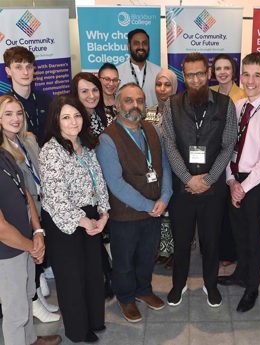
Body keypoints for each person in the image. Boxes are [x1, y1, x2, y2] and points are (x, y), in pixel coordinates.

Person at [162, 52, 237, 308]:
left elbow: (228, 146)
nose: (194, 79)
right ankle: (178, 284)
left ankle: (211, 284)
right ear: (184, 75)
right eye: (189, 74)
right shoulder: (171, 105)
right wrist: (187, 178)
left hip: (212, 189)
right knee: (181, 241)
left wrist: (210, 178)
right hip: (182, 189)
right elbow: (169, 144)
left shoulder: (226, 105)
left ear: (208, 74)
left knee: (211, 241)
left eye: (199, 74)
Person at [96, 82, 172, 323]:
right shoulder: (108, 139)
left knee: (147, 255)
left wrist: (165, 196)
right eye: (129, 101)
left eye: (139, 100)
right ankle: (126, 297)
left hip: (155, 209)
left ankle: (143, 290)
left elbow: (164, 166)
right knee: (124, 260)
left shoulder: (152, 129)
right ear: (117, 105)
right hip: (126, 215)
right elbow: (115, 183)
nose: (135, 106)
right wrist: (149, 205)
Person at [217, 52, 260, 312]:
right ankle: (240, 274)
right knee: (237, 233)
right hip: (235, 178)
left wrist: (242, 188)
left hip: (256, 183)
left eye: (257, 75)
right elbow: (228, 147)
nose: (250, 80)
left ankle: (252, 287)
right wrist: (231, 180)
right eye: (246, 74)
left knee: (253, 236)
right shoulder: (238, 107)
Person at [39, 95, 110, 343]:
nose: (73, 122)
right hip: (64, 221)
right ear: (56, 120)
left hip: (90, 216)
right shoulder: (50, 151)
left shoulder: (85, 144)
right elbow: (56, 197)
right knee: (72, 278)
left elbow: (99, 181)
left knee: (92, 272)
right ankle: (78, 331)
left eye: (77, 115)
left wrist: (104, 213)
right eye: (66, 117)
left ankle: (94, 320)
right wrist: (84, 221)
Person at [0, 118, 61, 345]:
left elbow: (25, 192)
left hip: (26, 243)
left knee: (27, 297)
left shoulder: (5, 155)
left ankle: (31, 339)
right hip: (7, 253)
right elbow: (1, 228)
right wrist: (32, 245)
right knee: (15, 313)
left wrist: (38, 232)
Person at [210, 53, 246, 267]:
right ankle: (213, 248)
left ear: (233, 72)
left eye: (227, 68)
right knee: (215, 208)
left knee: (230, 209)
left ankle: (229, 252)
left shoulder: (242, 95)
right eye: (218, 68)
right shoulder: (209, 93)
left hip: (234, 157)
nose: (222, 72)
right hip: (212, 158)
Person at [145, 69, 178, 270]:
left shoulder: (182, 109)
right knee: (161, 212)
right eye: (159, 84)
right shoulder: (149, 111)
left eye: (167, 84)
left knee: (177, 213)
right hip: (156, 170)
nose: (162, 89)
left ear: (174, 87)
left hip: (177, 170)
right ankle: (164, 250)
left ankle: (178, 252)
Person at [3, 46, 52, 145]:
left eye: (29, 67)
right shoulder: (4, 104)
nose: (25, 72)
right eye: (18, 67)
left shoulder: (45, 98)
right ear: (8, 71)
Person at [117, 28, 161, 108]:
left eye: (144, 43)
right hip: (127, 119)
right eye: (136, 43)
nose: (141, 47)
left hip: (154, 119)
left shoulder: (159, 72)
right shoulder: (118, 73)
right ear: (129, 46)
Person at [70, 72, 110, 137]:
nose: (92, 96)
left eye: (95, 90)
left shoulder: (108, 116)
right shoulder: (72, 122)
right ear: (76, 94)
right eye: (85, 91)